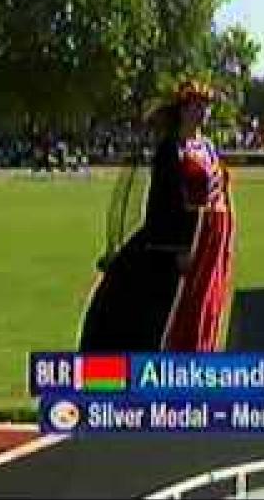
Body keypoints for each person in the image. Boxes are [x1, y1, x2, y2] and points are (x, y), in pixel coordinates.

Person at [79, 79, 235, 352]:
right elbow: (163, 201)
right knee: (167, 307)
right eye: (196, 105)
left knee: (204, 302)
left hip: (210, 240)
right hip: (181, 240)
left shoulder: (207, 146)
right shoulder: (170, 150)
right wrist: (179, 247)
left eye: (205, 106)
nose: (202, 112)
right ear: (182, 110)